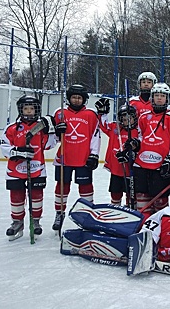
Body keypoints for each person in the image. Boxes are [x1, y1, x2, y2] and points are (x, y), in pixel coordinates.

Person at [0, 95, 56, 240]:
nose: (29, 111)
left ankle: (35, 221)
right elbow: (4, 146)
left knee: (37, 196)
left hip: (37, 168)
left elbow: (49, 145)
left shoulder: (41, 127)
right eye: (26, 108)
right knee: (17, 197)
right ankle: (17, 222)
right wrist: (17, 152)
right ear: (20, 109)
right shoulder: (12, 128)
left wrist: (51, 129)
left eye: (32, 108)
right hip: (15, 170)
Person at [52, 84, 101, 231]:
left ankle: (88, 214)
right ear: (68, 98)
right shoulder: (59, 113)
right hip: (64, 157)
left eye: (79, 98)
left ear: (84, 99)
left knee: (85, 187)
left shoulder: (91, 115)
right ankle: (59, 213)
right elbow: (52, 139)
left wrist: (94, 154)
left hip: (84, 157)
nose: (76, 100)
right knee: (62, 187)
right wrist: (56, 131)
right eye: (74, 97)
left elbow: (95, 136)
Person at [134, 82, 170, 219]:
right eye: (156, 96)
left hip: (160, 167)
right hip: (142, 165)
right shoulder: (143, 117)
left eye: (162, 96)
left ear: (167, 99)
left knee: (160, 202)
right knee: (142, 200)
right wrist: (135, 144)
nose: (159, 98)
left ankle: (160, 227)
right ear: (151, 98)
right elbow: (141, 136)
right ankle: (143, 227)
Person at [94, 99, 140, 206]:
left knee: (131, 195)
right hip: (116, 169)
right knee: (115, 193)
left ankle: (131, 209)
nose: (127, 121)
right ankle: (116, 209)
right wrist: (102, 113)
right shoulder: (116, 128)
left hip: (131, 171)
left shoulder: (138, 131)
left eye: (129, 118)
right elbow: (103, 125)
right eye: (124, 119)